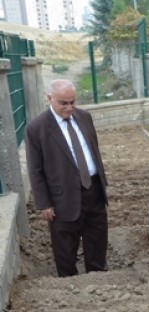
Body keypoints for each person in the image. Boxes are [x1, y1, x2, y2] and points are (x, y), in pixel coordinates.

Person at [25, 79, 109, 278]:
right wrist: (44, 203)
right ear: (49, 99)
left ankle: (98, 276)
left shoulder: (84, 117)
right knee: (65, 245)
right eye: (64, 103)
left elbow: (93, 151)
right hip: (62, 196)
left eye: (73, 102)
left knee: (97, 237)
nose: (70, 107)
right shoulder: (37, 128)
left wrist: (102, 184)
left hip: (93, 188)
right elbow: (35, 169)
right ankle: (69, 283)